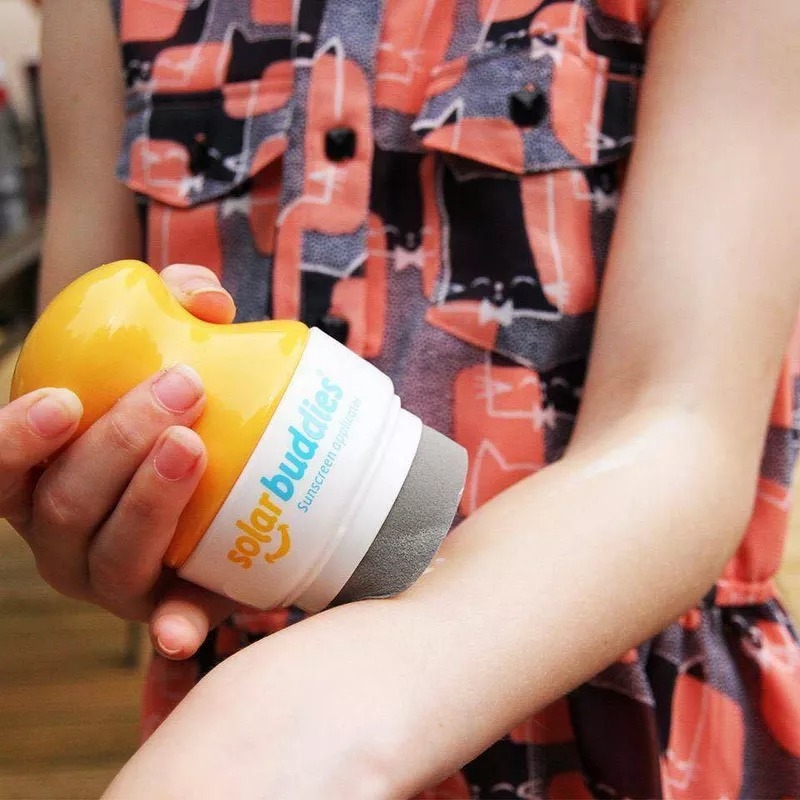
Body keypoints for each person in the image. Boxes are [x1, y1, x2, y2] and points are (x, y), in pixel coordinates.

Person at [2, 0, 799, 796]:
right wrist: (98, 506)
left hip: (622, 721)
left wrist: (332, 707)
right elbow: (83, 354)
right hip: (241, 720)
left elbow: (683, 423)